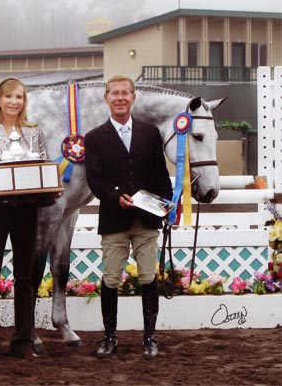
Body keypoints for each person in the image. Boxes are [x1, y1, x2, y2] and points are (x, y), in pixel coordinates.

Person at [84, 75, 173, 359]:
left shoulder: (150, 133)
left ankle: (150, 338)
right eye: (115, 93)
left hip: (146, 220)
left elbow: (160, 174)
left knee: (148, 276)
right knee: (111, 278)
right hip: (114, 219)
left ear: (134, 97)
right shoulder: (95, 138)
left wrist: (165, 206)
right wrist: (114, 196)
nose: (120, 97)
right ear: (107, 98)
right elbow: (95, 180)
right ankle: (110, 337)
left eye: (125, 93)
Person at [0, 77, 50, 359]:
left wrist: (48, 187)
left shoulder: (35, 132)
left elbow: (44, 166)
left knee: (25, 277)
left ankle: (23, 341)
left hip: (26, 209)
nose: (14, 101)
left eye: (19, 97)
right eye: (9, 97)